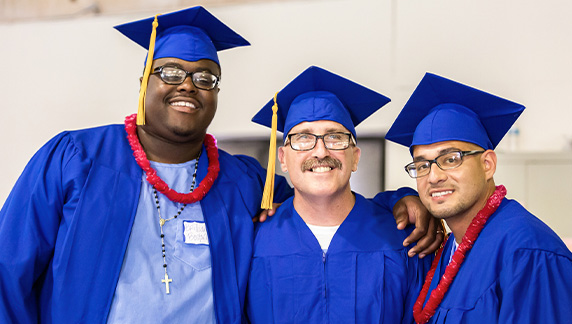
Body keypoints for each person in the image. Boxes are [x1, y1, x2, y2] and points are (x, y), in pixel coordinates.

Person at [0, 7, 436, 324]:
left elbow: (321, 194)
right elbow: (8, 270)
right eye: (170, 72)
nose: (188, 85)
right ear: (143, 83)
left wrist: (402, 200)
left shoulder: (240, 180)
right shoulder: (77, 158)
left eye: (205, 77)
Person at [246, 66, 433, 323]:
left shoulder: (404, 239)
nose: (320, 151)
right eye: (303, 138)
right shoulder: (253, 242)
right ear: (283, 159)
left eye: (335, 138)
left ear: (355, 158)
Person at [385, 72, 572, 324]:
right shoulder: (449, 250)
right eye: (422, 165)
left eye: (451, 159)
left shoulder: (528, 251)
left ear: (487, 164)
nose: (434, 176)